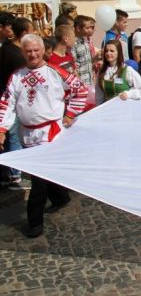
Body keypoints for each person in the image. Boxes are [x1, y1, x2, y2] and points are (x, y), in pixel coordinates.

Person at [0, 34, 88, 238]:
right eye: (28, 51)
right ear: (23, 53)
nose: (32, 54)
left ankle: (34, 223)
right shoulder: (17, 76)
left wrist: (70, 114)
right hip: (27, 133)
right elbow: (7, 103)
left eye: (36, 50)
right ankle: (60, 197)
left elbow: (80, 90)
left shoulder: (55, 72)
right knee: (44, 174)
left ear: (42, 50)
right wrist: (2, 129)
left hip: (50, 133)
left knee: (38, 179)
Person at [0, 17, 33, 191]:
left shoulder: (7, 47)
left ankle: (7, 174)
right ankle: (15, 176)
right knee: (14, 136)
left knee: (9, 137)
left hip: (9, 98)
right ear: (24, 33)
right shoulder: (16, 54)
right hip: (12, 100)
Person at [96, 39, 141, 104]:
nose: (108, 53)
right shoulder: (102, 72)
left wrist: (128, 94)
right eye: (106, 51)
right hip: (109, 108)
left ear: (118, 52)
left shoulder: (127, 70)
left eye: (112, 51)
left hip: (124, 107)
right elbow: (99, 95)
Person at [72, 15, 98, 86]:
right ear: (78, 28)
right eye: (87, 28)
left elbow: (87, 62)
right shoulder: (73, 44)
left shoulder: (85, 41)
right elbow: (73, 65)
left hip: (90, 82)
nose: (90, 30)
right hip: (81, 83)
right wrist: (80, 83)